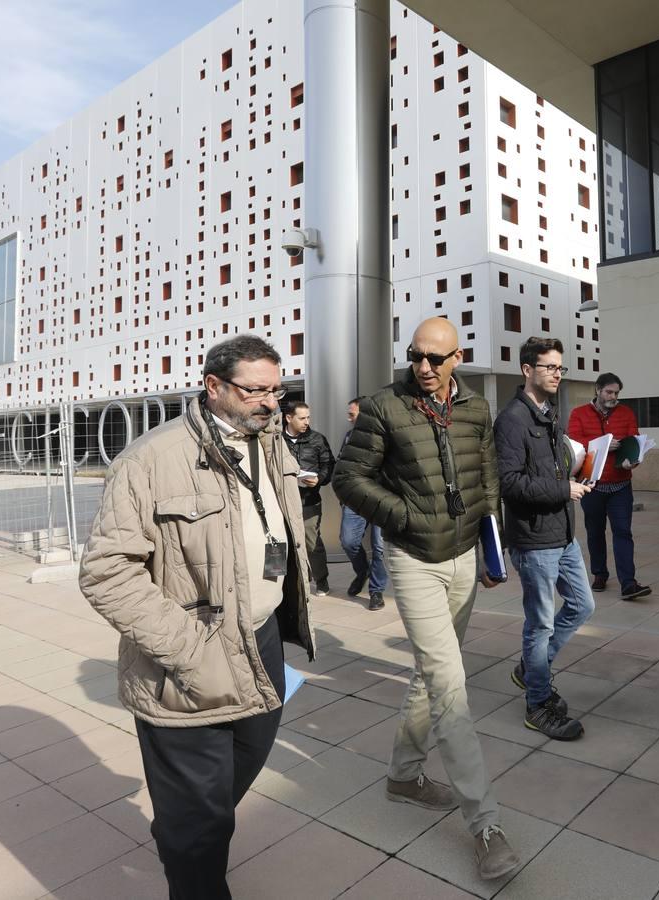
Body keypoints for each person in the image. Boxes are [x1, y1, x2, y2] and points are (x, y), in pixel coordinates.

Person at [80, 335, 316, 900]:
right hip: (189, 658)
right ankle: (193, 859)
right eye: (255, 390)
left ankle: (185, 826)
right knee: (201, 825)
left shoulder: (269, 441)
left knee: (247, 761)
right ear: (213, 387)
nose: (270, 402)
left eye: (277, 389)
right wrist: (190, 650)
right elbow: (106, 573)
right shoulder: (149, 460)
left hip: (262, 639)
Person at [332, 316, 521, 881]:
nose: (425, 367)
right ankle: (485, 824)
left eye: (436, 358)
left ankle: (402, 775)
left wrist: (493, 549)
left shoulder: (476, 409)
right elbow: (348, 478)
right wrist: (406, 518)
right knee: (448, 684)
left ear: (457, 358)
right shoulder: (384, 408)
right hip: (414, 560)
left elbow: (487, 480)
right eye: (416, 356)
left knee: (430, 671)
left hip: (465, 557)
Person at [494, 336, 595, 741]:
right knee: (539, 624)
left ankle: (530, 668)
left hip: (562, 533)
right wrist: (562, 490)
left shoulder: (549, 413)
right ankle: (538, 703)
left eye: (560, 367)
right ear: (527, 370)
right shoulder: (512, 420)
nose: (557, 373)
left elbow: (551, 469)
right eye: (549, 367)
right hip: (534, 540)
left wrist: (580, 467)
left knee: (583, 605)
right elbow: (510, 483)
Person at [567, 373, 651, 599]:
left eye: (616, 393)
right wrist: (602, 444)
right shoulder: (579, 414)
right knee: (595, 532)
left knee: (623, 532)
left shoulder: (626, 413)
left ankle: (628, 583)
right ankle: (599, 574)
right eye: (609, 392)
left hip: (621, 484)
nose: (613, 397)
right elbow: (572, 442)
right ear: (598, 390)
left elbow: (634, 441)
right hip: (591, 485)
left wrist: (632, 460)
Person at [339, 396, 388, 611]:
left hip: (381, 500)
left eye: (352, 414)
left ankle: (376, 591)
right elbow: (342, 466)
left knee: (379, 548)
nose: (348, 419)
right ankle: (362, 572)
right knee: (348, 541)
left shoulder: (388, 437)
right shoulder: (349, 437)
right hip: (355, 500)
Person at [282, 400, 335, 596]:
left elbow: (329, 465)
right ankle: (285, 585)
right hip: (282, 502)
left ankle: (321, 580)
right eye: (302, 418)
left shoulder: (317, 439)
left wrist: (319, 479)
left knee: (312, 542)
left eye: (308, 417)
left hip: (309, 501)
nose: (306, 422)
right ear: (289, 418)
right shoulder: (275, 440)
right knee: (282, 543)